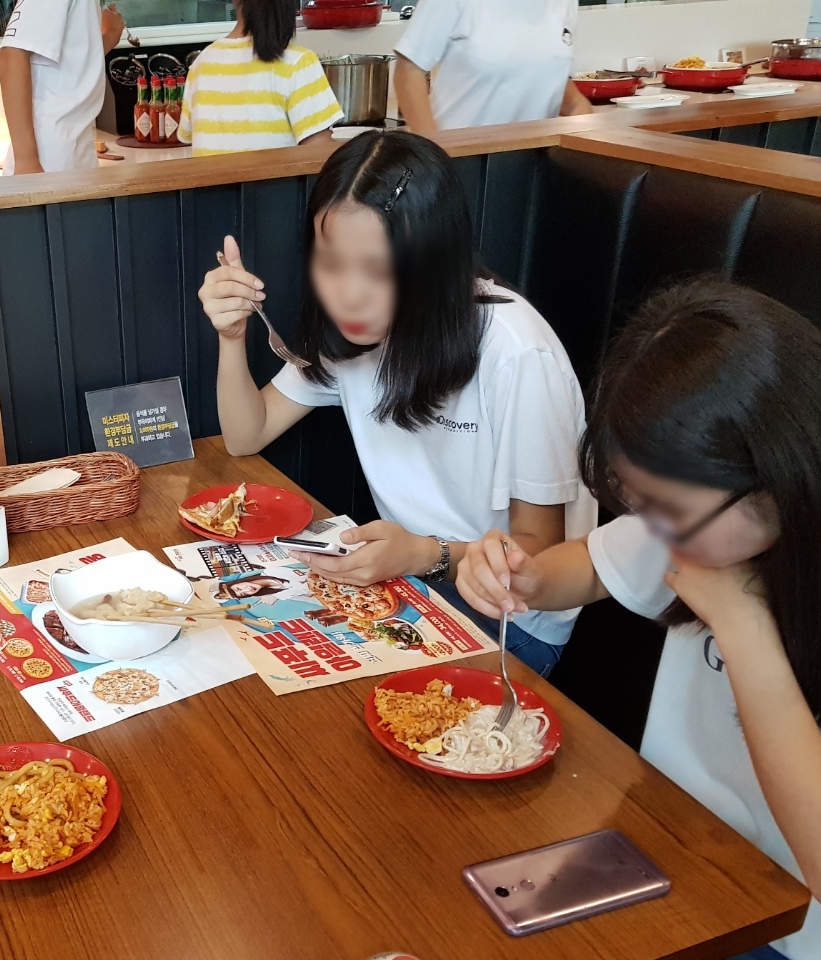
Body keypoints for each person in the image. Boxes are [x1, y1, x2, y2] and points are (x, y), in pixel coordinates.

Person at [457, 280, 821, 960]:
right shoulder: (701, 519)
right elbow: (582, 568)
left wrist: (743, 624)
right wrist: (515, 574)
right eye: (636, 504)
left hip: (805, 953)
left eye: (663, 509)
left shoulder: (737, 550)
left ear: (778, 481)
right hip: (668, 856)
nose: (652, 530)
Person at [197, 130, 593, 675]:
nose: (349, 295)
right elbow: (247, 434)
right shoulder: (351, 337)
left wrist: (427, 554)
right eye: (331, 264)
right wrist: (232, 336)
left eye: (379, 271)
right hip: (409, 582)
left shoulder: (516, 352)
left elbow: (538, 552)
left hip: (510, 619)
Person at [392, 0, 593, 135]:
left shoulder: (564, 3)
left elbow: (559, 88)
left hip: (535, 161)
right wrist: (435, 153)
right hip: (460, 160)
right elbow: (408, 71)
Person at [177, 0, 343, 156]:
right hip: (276, 179)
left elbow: (186, 135)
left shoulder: (201, 64)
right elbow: (319, 153)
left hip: (210, 179)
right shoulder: (298, 62)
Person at [0, 0, 125, 174]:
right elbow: (11, 56)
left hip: (73, 152)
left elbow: (75, 62)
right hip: (48, 159)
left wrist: (111, 34)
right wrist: (27, 163)